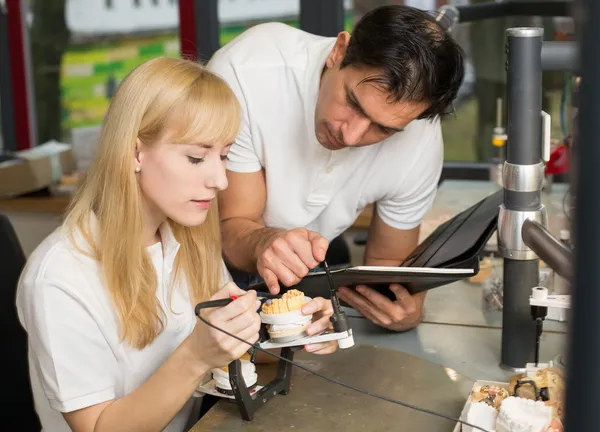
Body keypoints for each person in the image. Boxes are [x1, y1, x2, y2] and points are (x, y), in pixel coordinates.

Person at [15, 57, 336, 432]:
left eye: (225, 155)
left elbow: (231, 349)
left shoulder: (184, 240)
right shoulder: (59, 277)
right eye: (197, 157)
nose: (220, 180)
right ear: (135, 153)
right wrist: (195, 356)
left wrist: (292, 335)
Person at [208, 5, 465, 332]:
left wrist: (404, 311)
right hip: (204, 266)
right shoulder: (248, 73)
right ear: (338, 52)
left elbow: (387, 267)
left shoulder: (419, 139)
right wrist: (262, 243)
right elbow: (231, 226)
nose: (351, 135)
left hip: (304, 276)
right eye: (354, 104)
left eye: (383, 129)